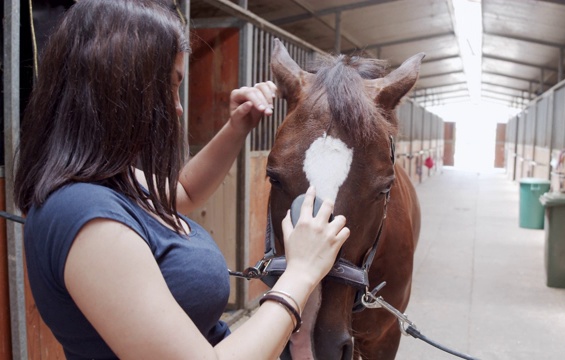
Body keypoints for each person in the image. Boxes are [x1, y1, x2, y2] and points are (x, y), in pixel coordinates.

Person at [14, 0, 350, 359]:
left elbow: (184, 191)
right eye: (170, 86)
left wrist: (238, 127)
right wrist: (299, 275)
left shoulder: (110, 180)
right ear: (121, 88)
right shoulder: (83, 216)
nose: (177, 107)